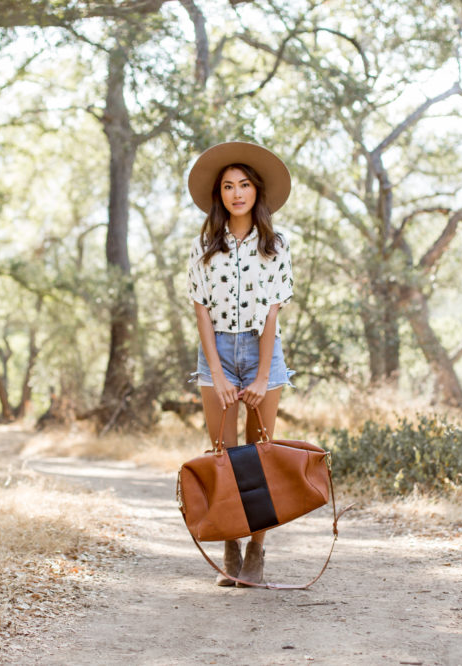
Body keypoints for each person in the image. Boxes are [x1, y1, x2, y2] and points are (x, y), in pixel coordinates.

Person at [185, 141, 295, 587]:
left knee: (261, 454)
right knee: (225, 456)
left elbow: (272, 313)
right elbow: (201, 312)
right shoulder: (205, 246)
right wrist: (217, 372)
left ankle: (258, 550)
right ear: (220, 194)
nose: (236, 193)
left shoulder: (275, 245)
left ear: (256, 191)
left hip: (261, 350)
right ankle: (230, 544)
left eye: (244, 185)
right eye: (228, 186)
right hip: (218, 354)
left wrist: (262, 373)